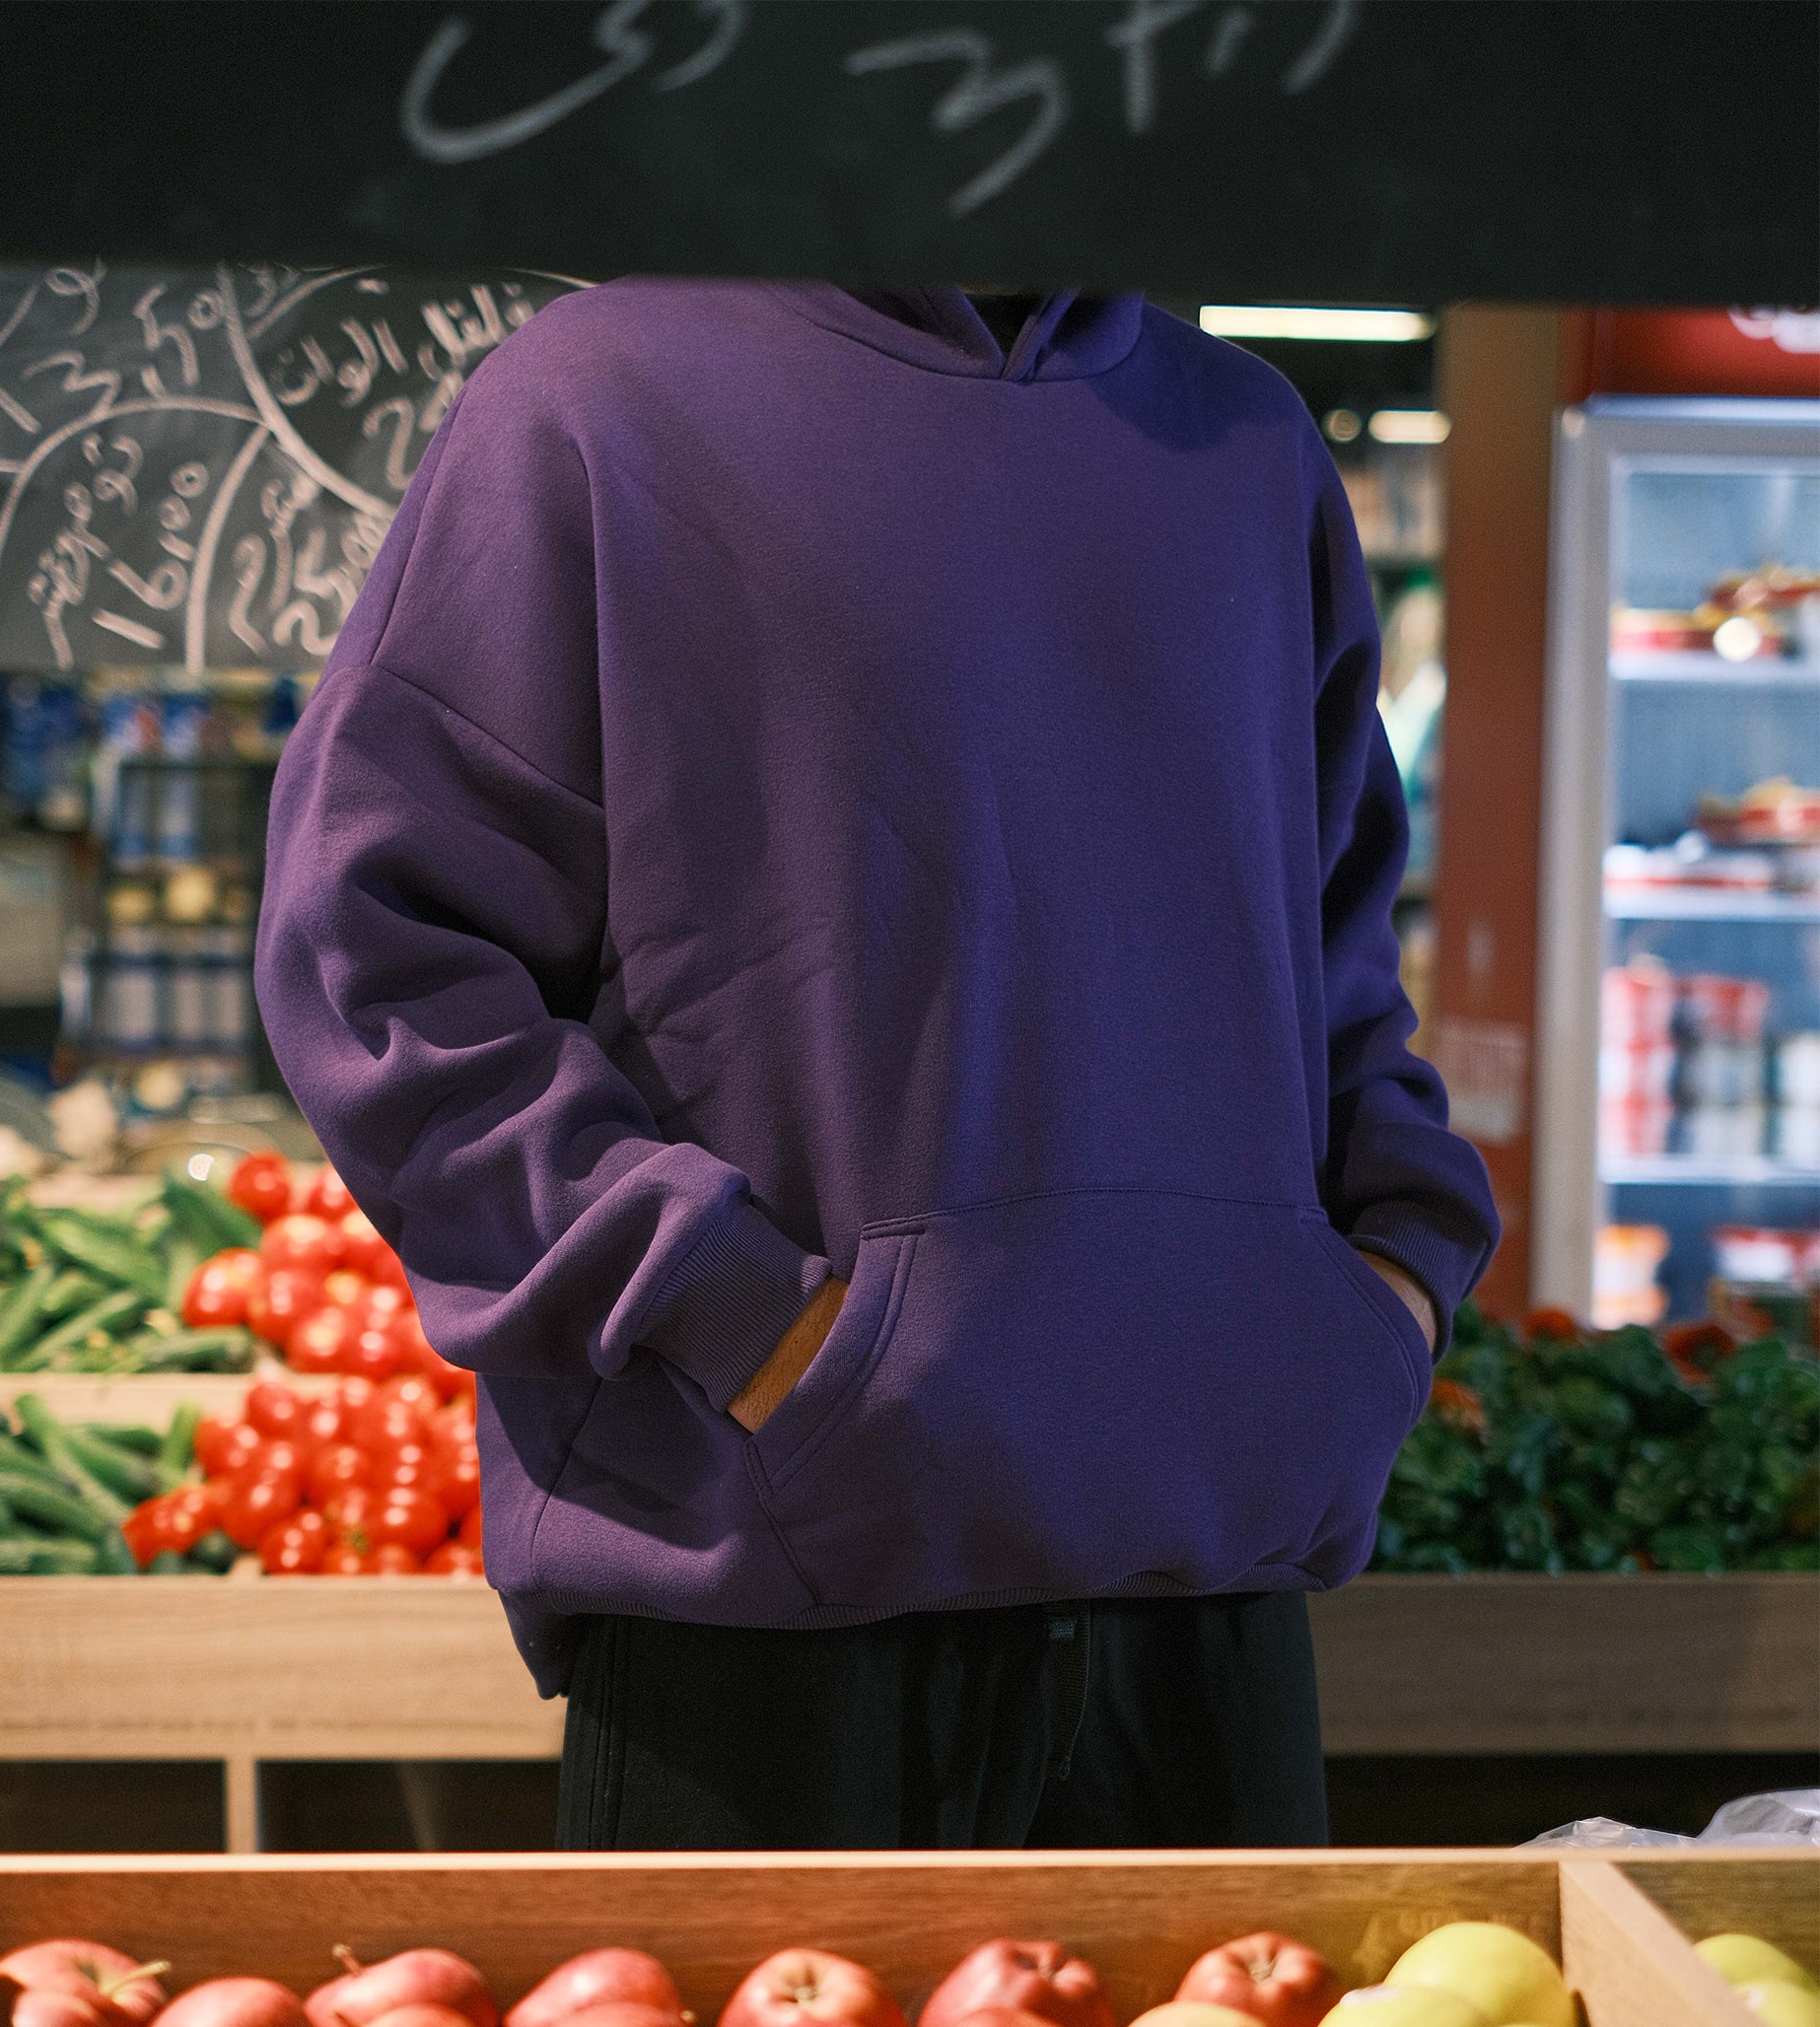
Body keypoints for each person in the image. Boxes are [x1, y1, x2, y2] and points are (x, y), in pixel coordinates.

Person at [256, 281, 1498, 1852]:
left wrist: (1391, 1284)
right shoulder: (592, 404)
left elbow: (1334, 955)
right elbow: (374, 961)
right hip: (777, 1606)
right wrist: (752, 1327)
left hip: (1216, 1595)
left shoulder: (1248, 443)